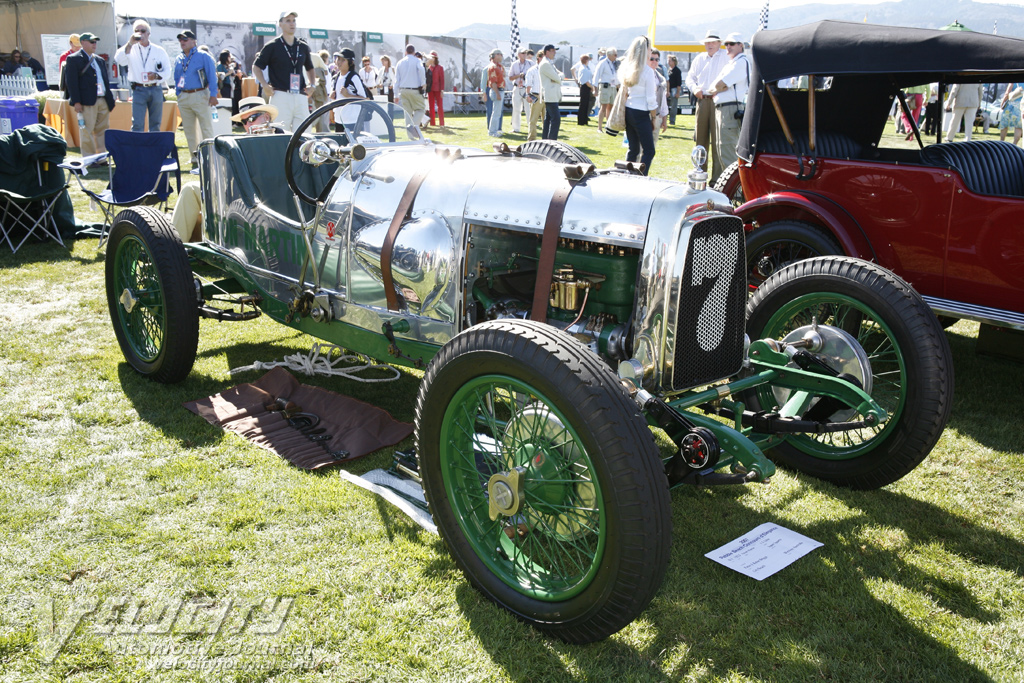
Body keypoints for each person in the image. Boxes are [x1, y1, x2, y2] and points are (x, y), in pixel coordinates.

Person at [173, 97, 285, 243]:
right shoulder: (239, 143)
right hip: (235, 195)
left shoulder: (284, 140)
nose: (248, 124)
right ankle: (171, 248)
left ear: (266, 117)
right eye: (244, 122)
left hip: (264, 202)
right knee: (190, 189)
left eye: (252, 118)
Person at [252, 11, 315, 133]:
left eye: (294, 20)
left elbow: (310, 67)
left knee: (305, 135)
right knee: (280, 133)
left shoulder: (302, 46)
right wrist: (265, 85)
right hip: (280, 95)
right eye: (288, 20)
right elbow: (256, 67)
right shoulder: (272, 46)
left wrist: (312, 84)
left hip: (301, 95)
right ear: (280, 24)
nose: (292, 23)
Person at [685, 30, 729, 182]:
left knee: (718, 142)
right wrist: (695, 89)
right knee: (700, 140)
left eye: (713, 42)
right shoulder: (699, 59)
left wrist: (721, 90)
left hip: (719, 101)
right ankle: (699, 174)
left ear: (719, 43)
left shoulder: (725, 57)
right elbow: (689, 78)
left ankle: (717, 179)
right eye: (707, 42)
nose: (710, 44)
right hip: (702, 99)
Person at [65, 33, 116, 159]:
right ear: (82, 42)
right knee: (86, 130)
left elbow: (105, 81)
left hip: (102, 99)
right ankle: (89, 158)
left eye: (95, 42)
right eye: (91, 41)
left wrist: (109, 99)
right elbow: (71, 83)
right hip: (86, 101)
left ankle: (101, 157)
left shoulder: (99, 60)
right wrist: (76, 101)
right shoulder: (73, 59)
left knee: (103, 130)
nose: (94, 44)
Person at [114, 20, 171, 133]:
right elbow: (119, 60)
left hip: (155, 88)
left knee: (155, 124)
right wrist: (130, 43)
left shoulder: (158, 50)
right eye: (136, 31)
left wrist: (156, 75)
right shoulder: (130, 49)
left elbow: (168, 71)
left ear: (148, 34)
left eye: (143, 31)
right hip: (138, 89)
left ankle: (153, 149)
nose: (140, 33)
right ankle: (137, 149)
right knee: (137, 124)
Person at [172, 29, 218, 167]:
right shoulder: (179, 58)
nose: (182, 42)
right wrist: (178, 92)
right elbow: (176, 77)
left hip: (200, 94)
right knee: (189, 129)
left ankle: (209, 155)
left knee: (206, 127)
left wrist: (213, 94)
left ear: (194, 41)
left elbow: (212, 76)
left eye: (185, 40)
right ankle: (194, 157)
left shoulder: (203, 56)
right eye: (180, 40)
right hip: (184, 96)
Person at [710, 33, 750, 178]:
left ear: (741, 45)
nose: (728, 47)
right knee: (722, 148)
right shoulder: (731, 63)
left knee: (727, 149)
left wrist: (717, 88)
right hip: (723, 108)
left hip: (730, 108)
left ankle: (736, 191)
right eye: (726, 44)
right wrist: (717, 88)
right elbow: (715, 85)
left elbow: (720, 84)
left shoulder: (741, 62)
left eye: (732, 44)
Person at [620, 36, 658, 175]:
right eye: (649, 49)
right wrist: (654, 117)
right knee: (649, 150)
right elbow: (651, 99)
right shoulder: (647, 71)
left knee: (633, 148)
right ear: (645, 50)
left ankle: (627, 175)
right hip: (641, 112)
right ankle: (640, 176)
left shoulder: (629, 68)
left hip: (629, 110)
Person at [395, 43, 426, 139]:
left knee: (407, 113)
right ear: (414, 52)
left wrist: (396, 95)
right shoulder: (417, 60)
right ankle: (413, 127)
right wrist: (423, 82)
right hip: (415, 89)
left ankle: (411, 137)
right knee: (420, 109)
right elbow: (421, 69)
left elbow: (396, 80)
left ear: (405, 52)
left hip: (403, 90)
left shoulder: (399, 62)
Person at [539, 44, 562, 140]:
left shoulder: (550, 63)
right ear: (547, 52)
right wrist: (557, 77)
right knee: (556, 119)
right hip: (550, 95)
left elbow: (560, 75)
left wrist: (558, 77)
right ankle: (552, 141)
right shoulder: (545, 64)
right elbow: (558, 78)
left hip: (552, 95)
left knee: (548, 119)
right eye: (553, 50)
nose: (555, 52)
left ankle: (546, 139)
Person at [593, 47, 619, 133]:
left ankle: (608, 125)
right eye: (615, 55)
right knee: (603, 106)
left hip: (613, 87)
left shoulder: (614, 64)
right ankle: (599, 127)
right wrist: (595, 89)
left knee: (611, 106)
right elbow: (596, 76)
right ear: (609, 55)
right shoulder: (602, 63)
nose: (616, 56)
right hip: (605, 86)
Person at [508, 47, 531, 133]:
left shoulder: (530, 63)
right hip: (517, 87)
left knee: (528, 108)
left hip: (527, 88)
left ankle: (531, 127)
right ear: (518, 55)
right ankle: (516, 128)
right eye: (522, 53)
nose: (524, 54)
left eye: (525, 53)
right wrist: (518, 75)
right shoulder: (514, 64)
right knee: (516, 108)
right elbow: (510, 77)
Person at [524, 50, 543, 141]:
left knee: (547, 120)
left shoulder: (549, 68)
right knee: (533, 119)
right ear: (539, 58)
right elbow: (528, 84)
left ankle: (547, 139)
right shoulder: (532, 70)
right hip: (536, 95)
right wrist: (528, 95)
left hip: (547, 96)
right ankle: (531, 139)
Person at [486, 48, 505, 137]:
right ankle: (492, 132)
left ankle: (494, 130)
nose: (501, 56)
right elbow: (493, 82)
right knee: (496, 112)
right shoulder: (493, 67)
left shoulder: (498, 66)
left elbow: (504, 75)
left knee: (497, 112)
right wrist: (497, 93)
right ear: (495, 55)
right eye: (500, 54)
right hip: (496, 90)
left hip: (499, 90)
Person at [651, 50, 670, 142]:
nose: (654, 61)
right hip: (643, 116)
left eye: (657, 59)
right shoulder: (640, 76)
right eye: (651, 59)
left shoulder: (660, 78)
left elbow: (663, 101)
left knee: (651, 149)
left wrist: (664, 120)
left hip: (657, 116)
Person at [427, 51, 445, 127]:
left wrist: (442, 90)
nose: (431, 59)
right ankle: (432, 123)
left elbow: (442, 80)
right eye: (430, 57)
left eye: (433, 57)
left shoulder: (440, 68)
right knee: (431, 107)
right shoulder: (428, 67)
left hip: (438, 89)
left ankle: (441, 123)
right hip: (430, 90)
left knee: (440, 106)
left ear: (435, 58)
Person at [576, 54, 594, 126]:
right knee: (583, 104)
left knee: (586, 104)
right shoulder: (583, 68)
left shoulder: (586, 68)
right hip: (584, 87)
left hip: (586, 87)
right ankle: (581, 121)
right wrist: (592, 87)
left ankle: (584, 120)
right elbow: (586, 81)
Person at [667, 54, 682, 126]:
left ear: (674, 62)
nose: (668, 62)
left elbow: (679, 83)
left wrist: (678, 92)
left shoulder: (677, 71)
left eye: (669, 61)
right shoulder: (669, 70)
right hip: (668, 89)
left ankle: (672, 120)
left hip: (674, 89)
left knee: (673, 105)